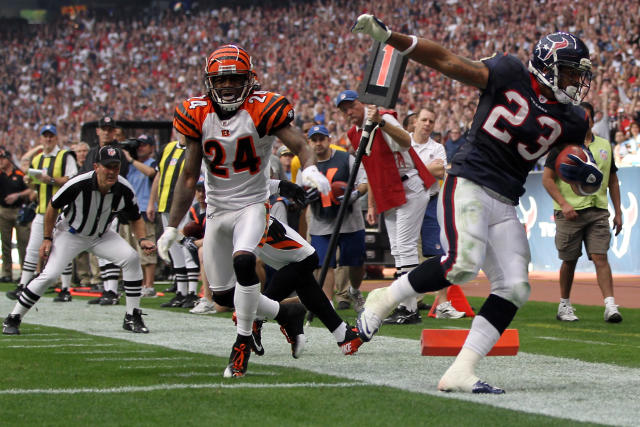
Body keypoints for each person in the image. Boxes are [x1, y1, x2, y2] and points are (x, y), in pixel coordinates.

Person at [351, 16, 602, 393]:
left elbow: (563, 170)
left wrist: (583, 179)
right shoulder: (509, 71)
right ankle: (384, 298)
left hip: (506, 199)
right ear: (548, 66)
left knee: (515, 287)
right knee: (462, 264)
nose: (573, 82)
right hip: (469, 179)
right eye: (568, 72)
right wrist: (393, 38)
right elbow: (450, 62)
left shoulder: (572, 119)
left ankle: (461, 370)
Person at [158, 44, 331, 378]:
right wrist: (171, 226)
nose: (226, 86)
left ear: (249, 79)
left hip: (252, 203)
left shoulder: (263, 107)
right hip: (218, 210)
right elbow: (189, 174)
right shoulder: (196, 112)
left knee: (244, 261)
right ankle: (285, 313)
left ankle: (241, 346)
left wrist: (308, 168)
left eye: (234, 79)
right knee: (223, 293)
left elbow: (299, 145)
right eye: (220, 80)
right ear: (208, 81)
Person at [2, 146, 156, 335]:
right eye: (108, 166)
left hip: (101, 235)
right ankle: (14, 317)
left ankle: (132, 315)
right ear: (96, 166)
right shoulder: (78, 183)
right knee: (49, 275)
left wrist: (142, 240)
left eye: (116, 167)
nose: (112, 171)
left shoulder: (123, 188)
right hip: (71, 233)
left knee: (131, 258)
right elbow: (52, 206)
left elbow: (135, 217)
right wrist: (47, 238)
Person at [336, 89, 434, 325]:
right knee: (399, 250)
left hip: (408, 184)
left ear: (362, 103)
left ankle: (409, 307)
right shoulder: (354, 132)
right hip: (387, 191)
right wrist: (371, 203)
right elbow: (370, 168)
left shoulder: (383, 117)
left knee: (406, 246)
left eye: (352, 105)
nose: (349, 112)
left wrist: (380, 122)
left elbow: (406, 141)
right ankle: (405, 305)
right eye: (344, 109)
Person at [542, 102, 623, 323]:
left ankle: (610, 306)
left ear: (592, 119)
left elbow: (613, 181)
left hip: (598, 211)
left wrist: (618, 212)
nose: (581, 121)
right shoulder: (561, 146)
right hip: (569, 213)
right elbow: (547, 179)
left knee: (600, 257)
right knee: (569, 260)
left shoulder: (605, 146)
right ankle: (564, 305)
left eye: (584, 117)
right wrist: (563, 203)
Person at [6, 125, 78, 302]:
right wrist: (29, 182)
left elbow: (73, 180)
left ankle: (66, 288)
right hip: (41, 210)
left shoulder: (65, 156)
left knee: (63, 249)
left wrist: (51, 180)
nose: (47, 139)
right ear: (40, 139)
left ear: (56, 138)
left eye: (50, 136)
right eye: (45, 136)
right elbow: (35, 187)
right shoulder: (37, 159)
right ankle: (23, 286)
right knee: (32, 249)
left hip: (62, 211)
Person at [410, 108, 465, 320]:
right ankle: (410, 303)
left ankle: (442, 305)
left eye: (431, 121)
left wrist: (414, 170)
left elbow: (439, 172)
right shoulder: (405, 143)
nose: (427, 124)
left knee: (440, 252)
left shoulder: (438, 147)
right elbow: (425, 172)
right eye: (424, 119)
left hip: (431, 201)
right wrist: (426, 169)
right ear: (415, 121)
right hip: (408, 202)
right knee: (408, 253)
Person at [306, 124, 367, 312]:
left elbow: (364, 182)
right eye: (314, 140)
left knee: (356, 263)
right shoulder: (306, 164)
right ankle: (326, 303)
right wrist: (305, 195)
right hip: (321, 220)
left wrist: (354, 194)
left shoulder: (345, 158)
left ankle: (355, 290)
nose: (318, 143)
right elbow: (299, 188)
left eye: (321, 139)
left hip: (349, 220)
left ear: (329, 140)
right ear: (309, 143)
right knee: (324, 263)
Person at [147, 138, 199, 309]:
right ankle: (181, 293)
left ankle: (192, 292)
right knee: (173, 249)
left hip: (186, 205)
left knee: (186, 245)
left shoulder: (196, 147)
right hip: (165, 204)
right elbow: (159, 175)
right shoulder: (167, 148)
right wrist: (151, 202)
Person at [121, 134, 158, 298]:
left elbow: (151, 173)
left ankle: (149, 285)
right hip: (130, 211)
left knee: (147, 249)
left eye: (144, 145)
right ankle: (140, 283)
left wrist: (131, 160)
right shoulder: (129, 167)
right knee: (132, 251)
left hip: (144, 210)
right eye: (139, 145)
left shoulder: (152, 163)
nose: (140, 148)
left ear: (151, 148)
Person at [0, 147, 32, 282]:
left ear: (8, 159)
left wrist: (17, 195)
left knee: (23, 242)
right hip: (3, 211)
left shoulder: (19, 173)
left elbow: (30, 189)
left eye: (2, 158)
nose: (0, 161)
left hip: (19, 211)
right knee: (5, 243)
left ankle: (24, 274)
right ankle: (6, 273)